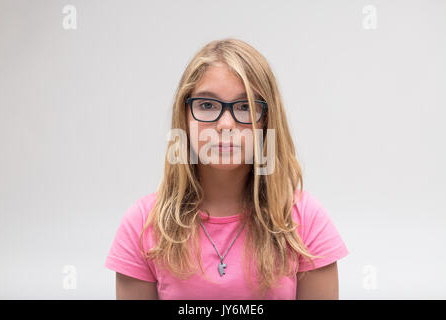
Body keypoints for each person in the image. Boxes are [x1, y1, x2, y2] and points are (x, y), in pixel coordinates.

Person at [104, 38, 349, 300]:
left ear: (267, 121)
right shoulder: (142, 226)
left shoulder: (305, 222)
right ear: (184, 117)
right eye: (207, 105)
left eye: (245, 107)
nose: (226, 124)